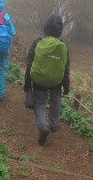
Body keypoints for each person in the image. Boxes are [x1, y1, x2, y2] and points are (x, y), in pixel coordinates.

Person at [24, 14, 70, 145]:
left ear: (45, 27)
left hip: (39, 79)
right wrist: (66, 86)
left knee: (40, 103)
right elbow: (66, 68)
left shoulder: (38, 41)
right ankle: (54, 124)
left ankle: (43, 125)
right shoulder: (62, 45)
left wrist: (27, 81)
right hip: (56, 81)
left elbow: (29, 63)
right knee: (56, 100)